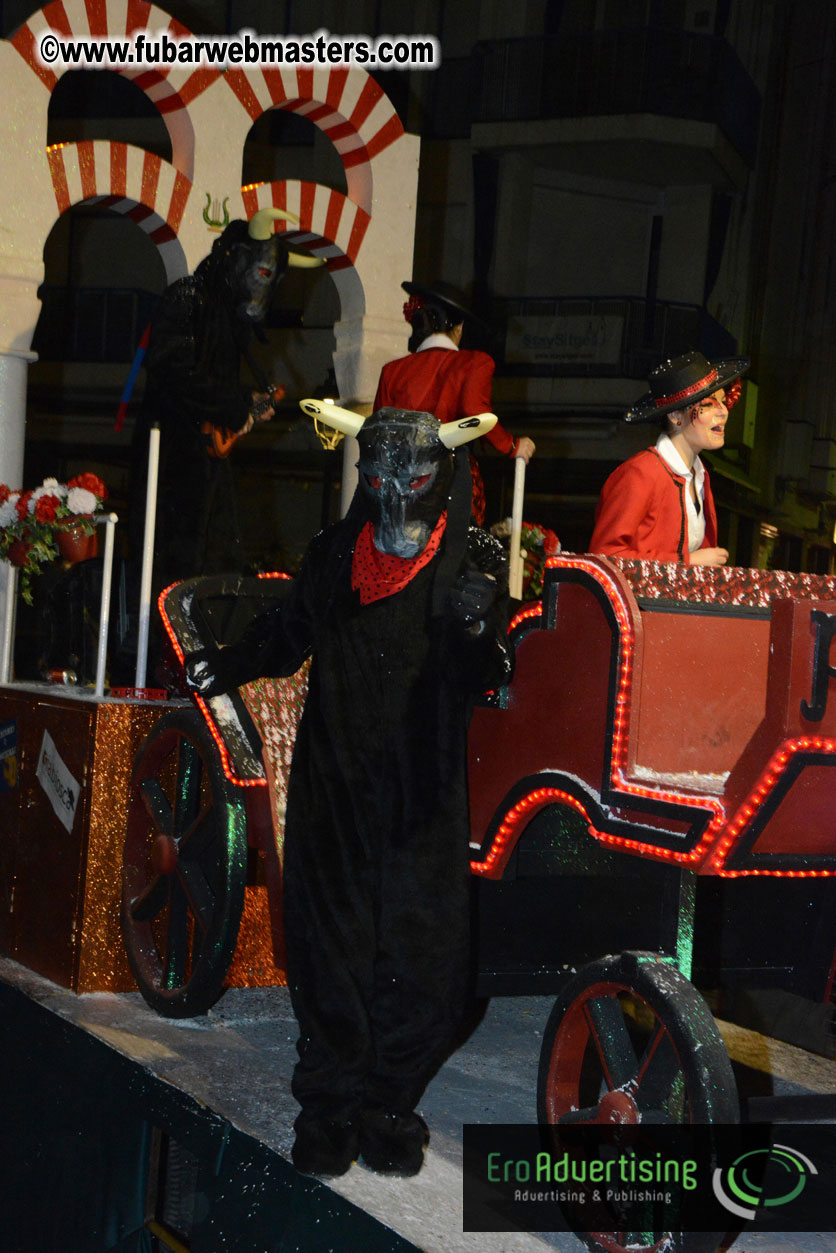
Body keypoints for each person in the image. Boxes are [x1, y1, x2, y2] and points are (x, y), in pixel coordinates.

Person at [185, 401, 514, 1180]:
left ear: (442, 476)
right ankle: (328, 1107)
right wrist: (232, 660)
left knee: (422, 954)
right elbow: (289, 633)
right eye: (378, 471)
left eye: (412, 472)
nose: (394, 489)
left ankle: (389, 1104)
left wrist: (477, 627)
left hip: (421, 794)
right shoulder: (335, 551)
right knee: (331, 950)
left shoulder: (469, 558)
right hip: (335, 784)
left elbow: (489, 677)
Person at [374, 279, 535, 523]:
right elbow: (475, 412)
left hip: (399, 481)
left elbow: (378, 429)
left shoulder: (392, 371)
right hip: (448, 478)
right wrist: (512, 446)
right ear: (459, 328)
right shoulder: (474, 363)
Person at [589, 350, 749, 565]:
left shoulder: (699, 476)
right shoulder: (641, 473)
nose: (723, 412)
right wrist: (688, 562)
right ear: (675, 416)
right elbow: (604, 557)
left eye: (723, 401)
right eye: (709, 404)